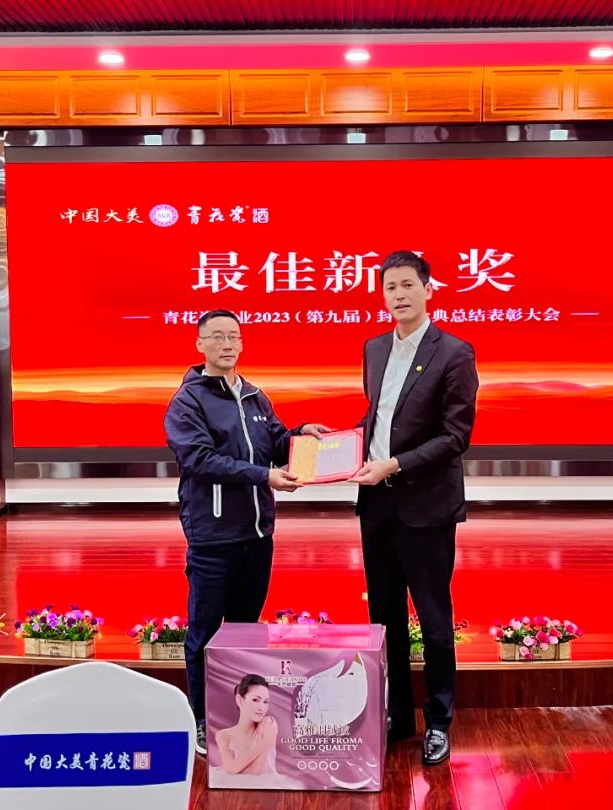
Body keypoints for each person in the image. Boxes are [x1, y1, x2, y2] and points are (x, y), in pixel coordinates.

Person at [164, 309, 328, 756]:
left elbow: (273, 443)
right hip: (213, 537)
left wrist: (300, 436)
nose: (227, 344)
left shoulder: (255, 396)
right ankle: (202, 718)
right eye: (217, 337)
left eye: (233, 336)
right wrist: (263, 476)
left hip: (257, 536)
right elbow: (199, 459)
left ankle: (235, 714)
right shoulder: (187, 402)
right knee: (204, 633)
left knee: (244, 631)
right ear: (200, 344)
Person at [350, 250, 479, 766]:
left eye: (407, 285)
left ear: (428, 289)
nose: (398, 295)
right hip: (376, 504)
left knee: (433, 616)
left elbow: (456, 436)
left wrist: (396, 463)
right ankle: (398, 715)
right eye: (390, 287)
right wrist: (338, 448)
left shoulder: (454, 352)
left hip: (425, 506)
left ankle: (439, 721)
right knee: (384, 617)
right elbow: (379, 418)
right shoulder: (375, 347)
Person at [215, 675, 278, 778]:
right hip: (233, 785)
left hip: (266, 784)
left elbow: (255, 773)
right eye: (255, 700)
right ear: (239, 700)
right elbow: (232, 768)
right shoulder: (223, 735)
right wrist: (266, 741)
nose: (262, 708)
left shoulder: (268, 724)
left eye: (265, 702)